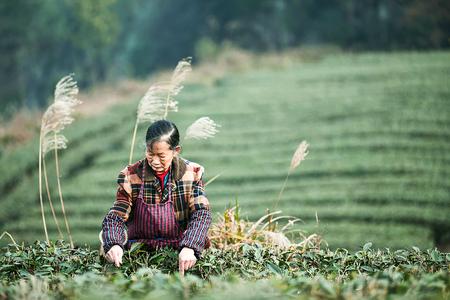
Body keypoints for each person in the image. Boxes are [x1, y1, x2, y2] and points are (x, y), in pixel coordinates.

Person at [100, 119, 212, 275]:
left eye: (161, 156)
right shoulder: (131, 175)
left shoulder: (191, 173)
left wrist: (190, 247)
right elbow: (116, 216)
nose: (155, 161)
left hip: (179, 253)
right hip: (139, 254)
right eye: (150, 154)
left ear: (176, 151)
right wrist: (114, 244)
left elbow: (201, 213)